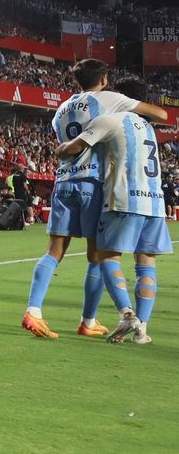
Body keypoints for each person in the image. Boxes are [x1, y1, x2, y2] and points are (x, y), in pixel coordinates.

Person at [22, 59, 168, 339]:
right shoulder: (110, 100)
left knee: (54, 252)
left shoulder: (62, 109)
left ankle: (34, 310)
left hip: (64, 182)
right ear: (103, 79)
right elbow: (159, 114)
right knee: (98, 256)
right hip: (93, 184)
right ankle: (88, 320)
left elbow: (65, 146)